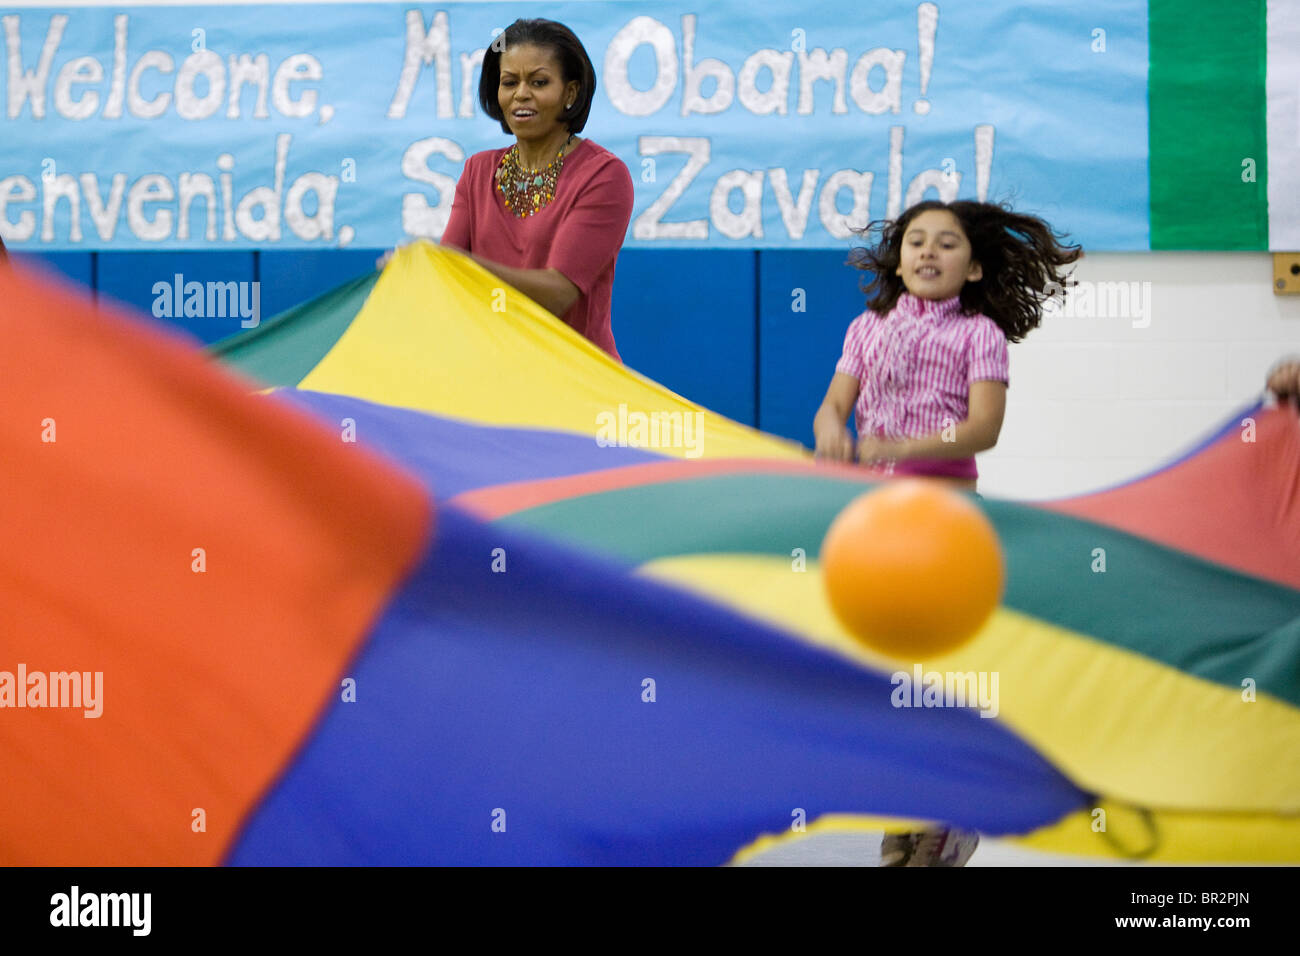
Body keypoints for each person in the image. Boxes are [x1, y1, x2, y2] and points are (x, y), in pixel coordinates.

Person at [812, 199, 1081, 865]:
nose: (928, 252)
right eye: (916, 242)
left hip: (945, 519)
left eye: (947, 244)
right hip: (875, 517)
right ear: (898, 261)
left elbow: (984, 428)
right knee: (884, 666)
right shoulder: (867, 328)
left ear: (975, 266)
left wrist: (906, 443)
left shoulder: (978, 334)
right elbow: (836, 402)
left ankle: (942, 809)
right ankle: (905, 811)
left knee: (935, 667)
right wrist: (828, 430)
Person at [437, 18, 633, 360]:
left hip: (575, 379)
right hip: (489, 376)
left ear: (570, 93)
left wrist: (454, 264)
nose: (521, 94)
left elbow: (557, 294)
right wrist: (414, 267)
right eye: (509, 82)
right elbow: (447, 280)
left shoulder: (603, 175)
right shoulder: (477, 171)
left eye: (539, 82)